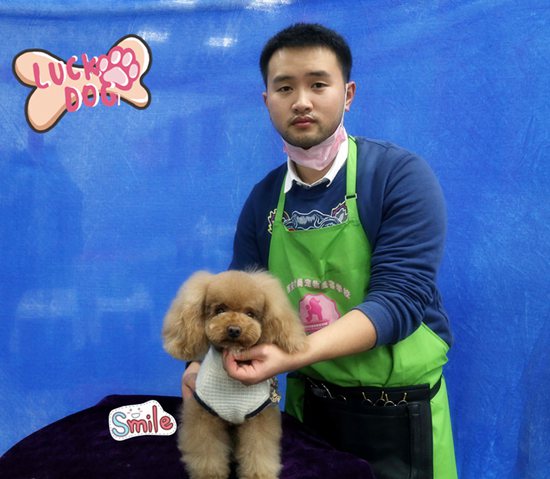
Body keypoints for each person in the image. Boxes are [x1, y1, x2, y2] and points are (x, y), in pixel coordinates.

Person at [183, 23, 457, 479]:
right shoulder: (264, 199)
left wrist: (294, 354)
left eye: (318, 84)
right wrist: (199, 365)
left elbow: (400, 301)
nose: (301, 101)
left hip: (399, 415)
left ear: (348, 94)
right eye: (284, 88)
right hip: (307, 410)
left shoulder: (397, 177)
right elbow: (236, 291)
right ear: (266, 100)